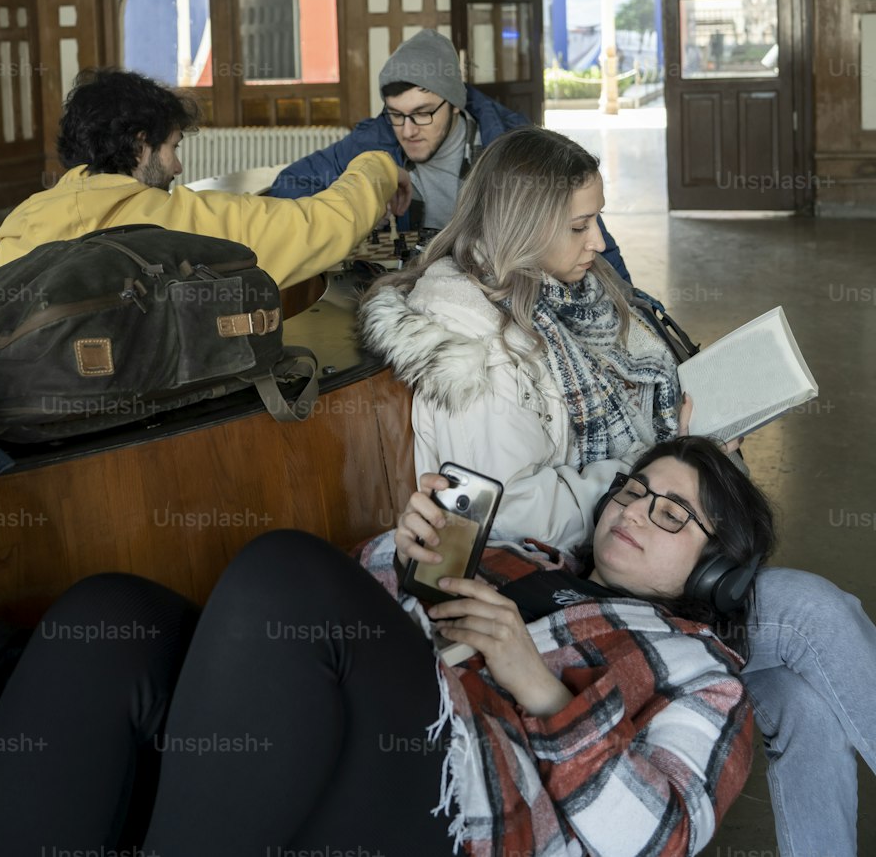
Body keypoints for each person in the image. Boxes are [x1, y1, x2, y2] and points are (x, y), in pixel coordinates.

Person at [360, 125, 876, 857]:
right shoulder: (470, 348)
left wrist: (693, 449)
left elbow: (641, 417)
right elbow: (511, 512)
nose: (599, 241)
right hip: (578, 583)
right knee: (818, 616)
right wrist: (658, 466)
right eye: (579, 225)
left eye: (597, 218)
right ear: (519, 227)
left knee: (801, 701)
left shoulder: (583, 300)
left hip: (629, 565)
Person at [0, 436, 771, 857]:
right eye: (634, 490)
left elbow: (655, 840)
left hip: (467, 815)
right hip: (352, 735)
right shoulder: (528, 555)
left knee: (285, 574)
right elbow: (318, 634)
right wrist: (399, 557)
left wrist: (545, 693)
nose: (633, 510)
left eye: (671, 513)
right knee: (108, 614)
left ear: (722, 568)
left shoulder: (704, 674)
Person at [0, 67, 411, 288]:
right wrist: (379, 165)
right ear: (140, 144)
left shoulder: (23, 222)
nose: (178, 168)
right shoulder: (182, 222)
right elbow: (324, 224)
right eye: (172, 147)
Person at [269, 28, 630, 277]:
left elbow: (589, 236)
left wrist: (638, 310)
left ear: (456, 104)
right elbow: (289, 185)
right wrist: (357, 203)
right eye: (396, 114)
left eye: (423, 113)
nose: (408, 129)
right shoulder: (375, 139)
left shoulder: (511, 143)